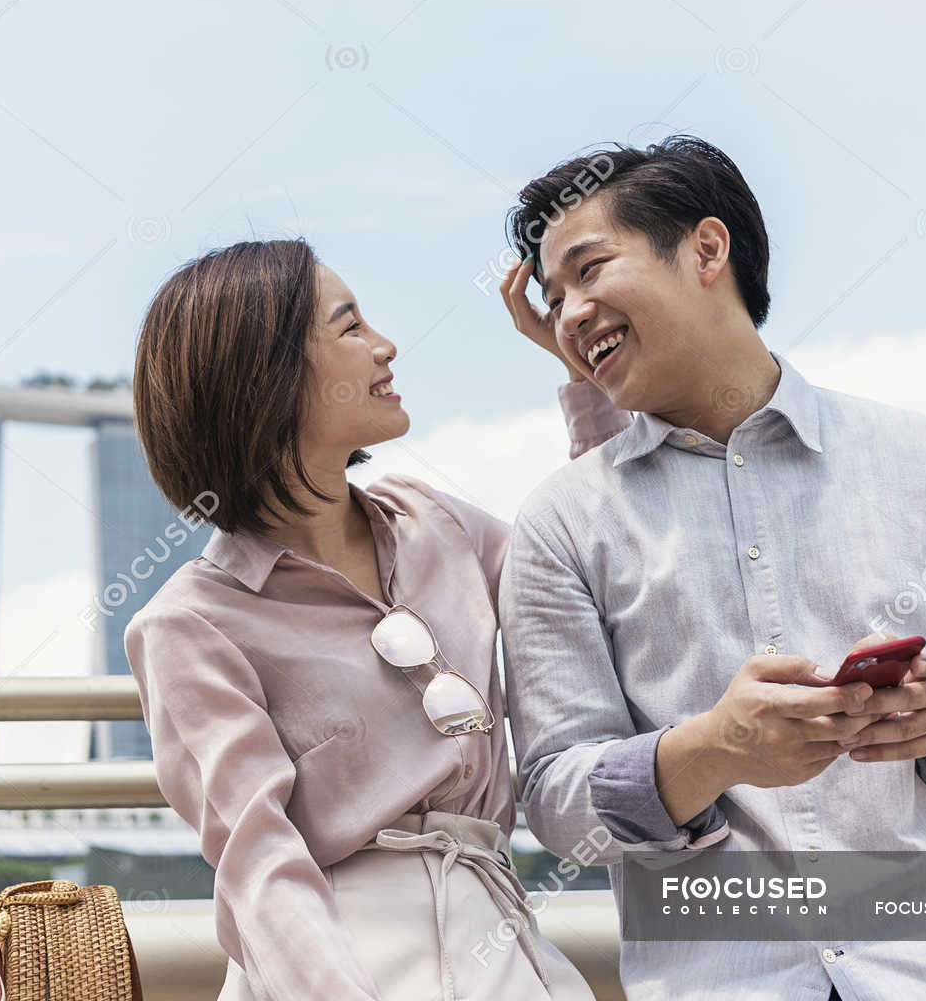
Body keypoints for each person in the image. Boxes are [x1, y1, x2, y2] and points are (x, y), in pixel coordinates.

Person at [497, 134, 926, 999]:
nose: (570, 314)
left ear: (706, 248)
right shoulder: (559, 522)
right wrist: (713, 749)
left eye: (589, 270)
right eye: (553, 297)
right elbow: (554, 796)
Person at [123, 239, 598, 1000]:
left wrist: (586, 375)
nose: (386, 346)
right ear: (266, 377)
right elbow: (261, 866)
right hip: (337, 963)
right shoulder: (190, 623)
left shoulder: (437, 522)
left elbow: (592, 573)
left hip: (502, 943)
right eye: (349, 327)